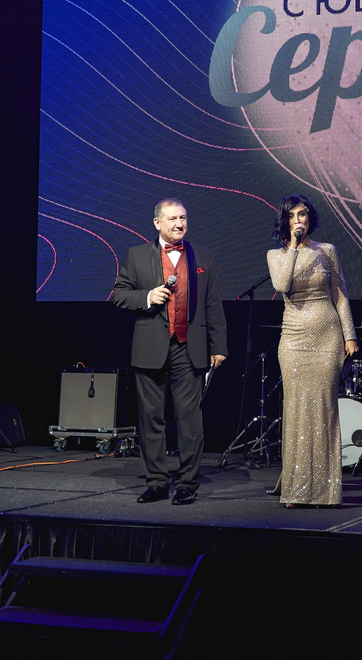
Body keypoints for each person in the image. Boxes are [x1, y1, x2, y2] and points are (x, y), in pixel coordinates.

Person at [112, 198, 227, 505]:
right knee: (151, 419)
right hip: (150, 348)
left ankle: (188, 483)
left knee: (190, 420)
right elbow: (119, 295)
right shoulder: (137, 255)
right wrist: (147, 296)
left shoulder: (203, 256)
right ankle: (157, 482)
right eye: (173, 218)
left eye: (183, 218)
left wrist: (218, 346)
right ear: (157, 223)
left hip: (189, 349)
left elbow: (213, 305)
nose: (179, 223)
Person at [266, 195, 359, 506]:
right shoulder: (276, 255)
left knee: (323, 409)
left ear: (310, 218)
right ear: (285, 222)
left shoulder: (326, 251)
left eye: (302, 214)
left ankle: (324, 491)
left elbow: (340, 295)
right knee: (296, 410)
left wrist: (349, 335)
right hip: (293, 341)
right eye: (292, 216)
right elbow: (282, 285)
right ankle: (296, 489)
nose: (298, 220)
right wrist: (293, 248)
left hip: (327, 338)